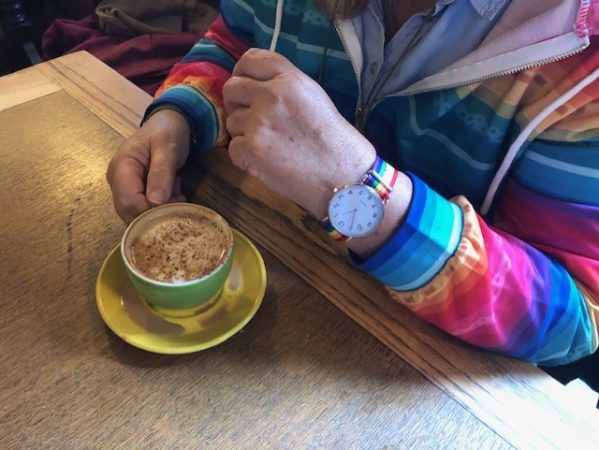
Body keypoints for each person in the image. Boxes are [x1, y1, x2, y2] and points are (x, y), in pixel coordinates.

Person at [106, 0, 599, 386]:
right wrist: (182, 113)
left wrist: (366, 197)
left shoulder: (583, 66)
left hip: (409, 379)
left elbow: (571, 323)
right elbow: (233, 44)